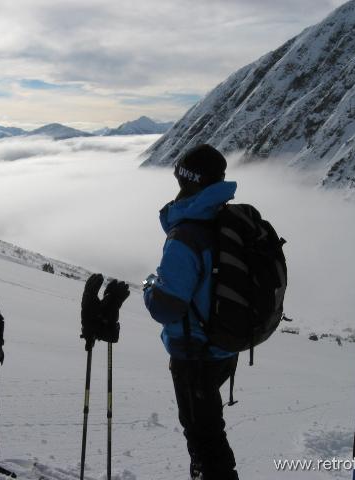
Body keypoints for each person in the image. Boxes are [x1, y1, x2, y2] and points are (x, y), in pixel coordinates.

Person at [143, 144, 240, 480]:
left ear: (187, 180)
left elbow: (166, 307)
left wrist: (148, 288)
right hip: (224, 346)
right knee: (208, 435)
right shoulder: (224, 218)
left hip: (194, 354)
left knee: (205, 440)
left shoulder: (185, 235)